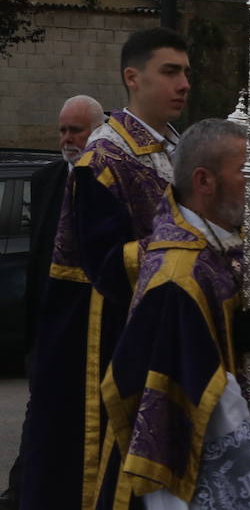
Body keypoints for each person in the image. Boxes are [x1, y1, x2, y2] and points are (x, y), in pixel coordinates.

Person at [100, 118, 250, 509]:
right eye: (245, 172)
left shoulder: (234, 250)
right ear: (204, 181)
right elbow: (194, 415)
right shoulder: (178, 274)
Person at [26, 27, 191, 509]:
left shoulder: (176, 151)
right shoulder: (104, 157)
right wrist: (190, 254)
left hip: (163, 328)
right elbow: (106, 263)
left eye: (185, 72)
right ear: (132, 78)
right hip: (104, 335)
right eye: (170, 72)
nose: (183, 84)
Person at [0, 95, 105, 510]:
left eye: (74, 130)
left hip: (92, 325)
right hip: (45, 326)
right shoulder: (44, 181)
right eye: (62, 130)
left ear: (96, 131)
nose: (66, 139)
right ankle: (20, 492)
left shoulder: (109, 180)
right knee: (40, 412)